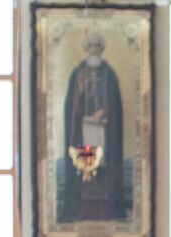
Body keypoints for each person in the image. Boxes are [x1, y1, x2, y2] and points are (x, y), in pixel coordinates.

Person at [59, 31, 126, 224]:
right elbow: (71, 105)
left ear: (102, 49)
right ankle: (80, 209)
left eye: (97, 46)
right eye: (90, 46)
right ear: (86, 49)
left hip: (104, 131)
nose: (94, 50)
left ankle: (107, 210)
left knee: (103, 168)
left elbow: (114, 104)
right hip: (83, 131)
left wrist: (104, 112)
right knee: (85, 169)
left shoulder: (108, 73)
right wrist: (80, 103)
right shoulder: (78, 73)